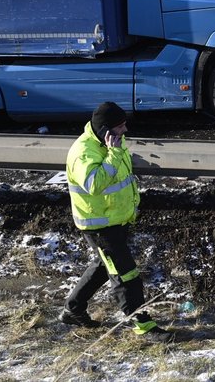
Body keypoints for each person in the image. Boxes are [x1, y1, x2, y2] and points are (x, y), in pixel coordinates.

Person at [60, 101, 173, 343]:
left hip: (115, 221)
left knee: (104, 266)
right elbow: (94, 184)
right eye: (121, 127)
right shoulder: (84, 152)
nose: (125, 130)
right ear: (105, 130)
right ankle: (142, 325)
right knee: (125, 274)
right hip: (100, 226)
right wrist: (114, 155)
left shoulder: (112, 145)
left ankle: (73, 309)